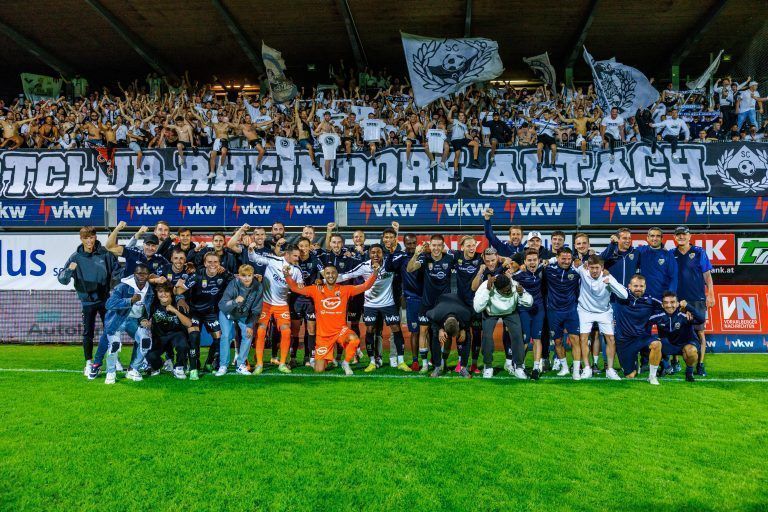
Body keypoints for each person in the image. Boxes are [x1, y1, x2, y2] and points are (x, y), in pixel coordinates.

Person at [285, 264, 378, 375]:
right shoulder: (316, 290)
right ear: (324, 274)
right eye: (327, 273)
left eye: (333, 273)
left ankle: (346, 363)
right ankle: (329, 358)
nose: (330, 275)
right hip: (323, 336)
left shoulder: (345, 290)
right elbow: (294, 288)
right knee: (319, 370)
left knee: (354, 339)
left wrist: (375, 273)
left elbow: (365, 286)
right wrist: (287, 275)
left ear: (337, 274)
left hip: (340, 331)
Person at [58, 226, 119, 377]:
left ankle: (114, 359)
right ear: (81, 239)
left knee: (111, 331)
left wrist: (118, 288)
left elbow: (117, 272)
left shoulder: (105, 254)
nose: (89, 241)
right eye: (86, 238)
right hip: (87, 302)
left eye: (91, 237)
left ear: (95, 237)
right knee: (88, 334)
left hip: (105, 300)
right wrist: (68, 271)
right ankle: (89, 362)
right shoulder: (75, 257)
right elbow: (63, 280)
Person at [173, 252, 234, 379]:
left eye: (215, 262)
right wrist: (180, 299)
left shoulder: (224, 275)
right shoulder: (197, 276)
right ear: (205, 263)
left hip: (211, 312)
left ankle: (209, 363)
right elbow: (179, 289)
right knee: (194, 337)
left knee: (219, 338)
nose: (212, 264)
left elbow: (238, 280)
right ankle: (194, 368)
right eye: (209, 262)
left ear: (219, 263)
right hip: (194, 311)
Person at [247, 243, 304, 374]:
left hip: (282, 305)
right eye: (295, 256)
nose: (297, 259)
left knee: (286, 332)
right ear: (287, 254)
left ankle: (282, 363)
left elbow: (299, 287)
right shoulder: (274, 260)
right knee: (261, 331)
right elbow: (255, 258)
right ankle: (259, 364)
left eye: (298, 256)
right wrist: (250, 249)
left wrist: (295, 283)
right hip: (265, 303)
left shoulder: (297, 270)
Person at [406, 235, 456, 374]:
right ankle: (424, 364)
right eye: (433, 245)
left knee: (446, 334)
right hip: (427, 303)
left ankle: (443, 362)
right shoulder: (424, 257)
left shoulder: (450, 259)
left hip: (444, 305)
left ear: (443, 246)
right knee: (423, 331)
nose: (436, 248)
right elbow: (410, 269)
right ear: (430, 245)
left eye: (439, 245)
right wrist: (416, 254)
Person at [98, 264, 154, 384]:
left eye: (144, 274)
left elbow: (145, 309)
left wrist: (144, 318)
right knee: (115, 345)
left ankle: (133, 369)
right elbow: (109, 304)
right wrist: (130, 300)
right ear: (134, 274)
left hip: (134, 321)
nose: (142, 276)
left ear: (148, 275)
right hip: (118, 320)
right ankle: (111, 372)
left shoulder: (150, 290)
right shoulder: (123, 287)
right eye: (139, 273)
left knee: (146, 341)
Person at [574, 255, 628, 380]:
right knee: (583, 338)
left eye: (597, 268)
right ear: (588, 267)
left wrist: (610, 283)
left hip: (604, 311)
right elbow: (571, 264)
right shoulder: (582, 270)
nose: (594, 271)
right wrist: (578, 262)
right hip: (585, 310)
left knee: (610, 339)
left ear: (602, 268)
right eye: (592, 268)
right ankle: (587, 368)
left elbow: (624, 295)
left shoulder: (608, 277)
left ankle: (610, 369)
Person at [473, 273, 532, 379]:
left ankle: (518, 367)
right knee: (487, 337)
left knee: (518, 336)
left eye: (509, 289)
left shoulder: (514, 285)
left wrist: (522, 294)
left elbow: (530, 303)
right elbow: (477, 308)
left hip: (510, 312)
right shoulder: (486, 286)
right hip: (490, 313)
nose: (508, 292)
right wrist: (487, 291)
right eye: (505, 291)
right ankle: (488, 366)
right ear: (496, 289)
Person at [672, 226, 714, 376]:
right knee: (675, 330)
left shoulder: (699, 252)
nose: (681, 237)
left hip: (697, 299)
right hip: (678, 300)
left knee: (700, 332)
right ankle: (675, 362)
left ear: (689, 236)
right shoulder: (672, 254)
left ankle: (700, 365)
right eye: (678, 235)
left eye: (684, 234)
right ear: (675, 237)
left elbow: (707, 276)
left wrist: (711, 294)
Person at [215, 264, 264, 376]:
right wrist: (234, 301)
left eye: (249, 275)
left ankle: (241, 364)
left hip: (243, 314)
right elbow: (222, 305)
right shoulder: (233, 284)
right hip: (228, 312)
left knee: (248, 334)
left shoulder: (258, 287)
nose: (246, 278)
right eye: (244, 275)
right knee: (226, 335)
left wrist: (250, 325)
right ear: (239, 276)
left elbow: (256, 310)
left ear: (253, 275)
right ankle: (223, 365)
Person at [614, 275, 663, 385]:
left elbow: (669, 308)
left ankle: (652, 376)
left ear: (645, 287)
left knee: (657, 344)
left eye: (641, 286)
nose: (638, 288)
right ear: (629, 286)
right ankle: (634, 364)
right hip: (624, 341)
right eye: (635, 286)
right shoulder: (621, 295)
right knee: (630, 375)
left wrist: (685, 309)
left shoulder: (651, 300)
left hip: (641, 338)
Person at [543, 247, 581, 378]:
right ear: (557, 257)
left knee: (575, 340)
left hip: (571, 311)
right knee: (558, 341)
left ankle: (576, 371)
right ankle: (564, 368)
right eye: (563, 258)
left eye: (569, 259)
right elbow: (535, 264)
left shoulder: (577, 272)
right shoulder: (548, 270)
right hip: (554, 312)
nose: (566, 261)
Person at [649, 293, 705, 382]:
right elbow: (643, 325)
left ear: (677, 303)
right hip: (669, 345)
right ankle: (664, 365)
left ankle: (689, 372)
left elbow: (701, 319)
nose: (669, 305)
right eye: (666, 303)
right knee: (651, 344)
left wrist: (688, 306)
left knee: (691, 351)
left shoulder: (684, 315)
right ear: (662, 305)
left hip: (686, 343)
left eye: (672, 302)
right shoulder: (658, 316)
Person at [389, 233, 425, 371]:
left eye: (413, 243)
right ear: (404, 244)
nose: (411, 246)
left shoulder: (424, 255)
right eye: (408, 243)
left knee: (429, 330)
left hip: (427, 298)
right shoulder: (401, 257)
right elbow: (389, 266)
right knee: (415, 331)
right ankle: (415, 361)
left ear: (417, 243)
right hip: (412, 299)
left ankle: (432, 360)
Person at [145, 283, 192, 380]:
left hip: (176, 334)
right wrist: (145, 322)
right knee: (150, 356)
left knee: (183, 345)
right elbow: (144, 318)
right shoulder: (153, 305)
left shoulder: (179, 304)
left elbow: (188, 324)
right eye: (160, 292)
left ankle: (179, 367)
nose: (163, 294)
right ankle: (160, 364)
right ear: (157, 294)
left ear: (171, 293)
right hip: (160, 336)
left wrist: (175, 311)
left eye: (166, 291)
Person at [512, 249, 546, 380]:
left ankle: (536, 368)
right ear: (525, 262)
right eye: (529, 260)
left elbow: (552, 261)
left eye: (534, 260)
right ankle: (520, 366)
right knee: (524, 339)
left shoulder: (542, 270)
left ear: (538, 261)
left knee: (537, 338)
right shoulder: (518, 275)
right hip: (524, 310)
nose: (532, 263)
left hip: (539, 310)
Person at [425, 294, 474, 378]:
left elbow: (473, 316)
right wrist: (439, 329)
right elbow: (427, 314)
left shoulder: (466, 313)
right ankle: (437, 367)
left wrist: (464, 329)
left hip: (459, 302)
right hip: (441, 301)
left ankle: (463, 367)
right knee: (435, 335)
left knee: (467, 336)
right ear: (444, 324)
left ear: (458, 323)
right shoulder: (436, 314)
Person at [105, 221, 169, 277]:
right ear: (143, 245)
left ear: (157, 247)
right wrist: (117, 229)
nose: (150, 248)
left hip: (148, 289)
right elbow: (109, 247)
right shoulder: (134, 253)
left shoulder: (160, 259)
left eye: (153, 246)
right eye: (148, 245)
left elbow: (172, 269)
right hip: (128, 289)